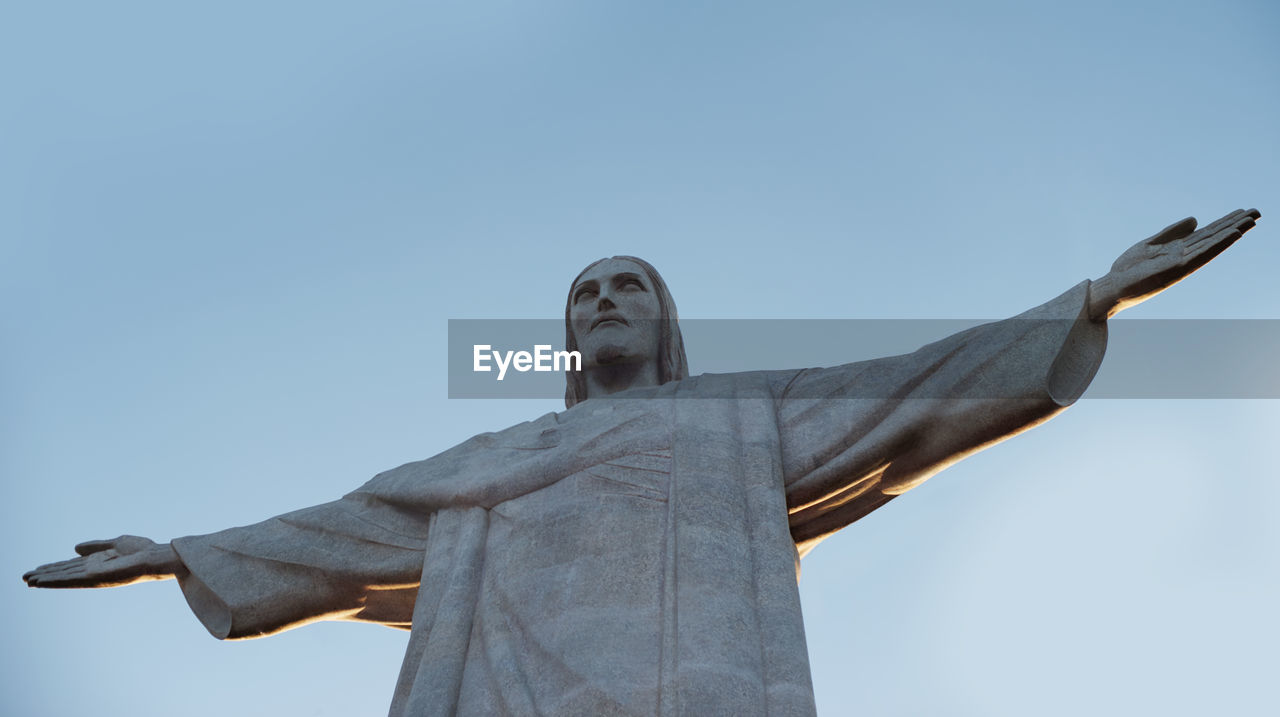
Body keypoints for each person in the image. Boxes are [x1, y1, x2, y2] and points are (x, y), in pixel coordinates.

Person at [24, 209, 1261, 716]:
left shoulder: (735, 419)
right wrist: (179, 552)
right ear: (564, 335)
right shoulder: (502, 448)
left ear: (662, 325)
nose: (604, 301)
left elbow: (907, 396)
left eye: (627, 288)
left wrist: (1086, 300)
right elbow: (350, 530)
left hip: (696, 680)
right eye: (583, 293)